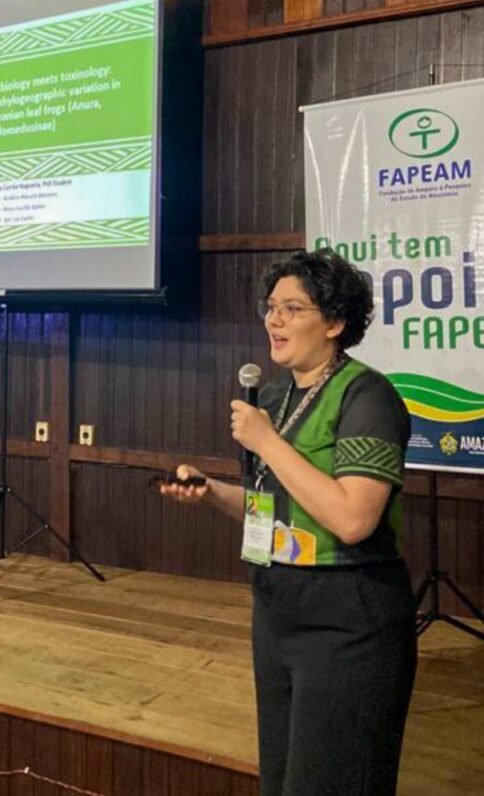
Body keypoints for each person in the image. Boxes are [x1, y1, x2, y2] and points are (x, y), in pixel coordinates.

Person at [161, 248, 417, 796]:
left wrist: (267, 442)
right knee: (280, 781)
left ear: (335, 322)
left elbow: (353, 518)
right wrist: (211, 493)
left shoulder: (368, 396)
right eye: (271, 308)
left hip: (348, 623)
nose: (274, 321)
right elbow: (275, 505)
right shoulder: (274, 396)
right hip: (277, 614)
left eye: (293, 309)